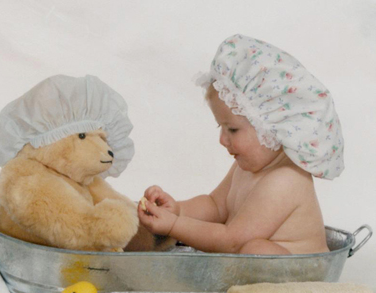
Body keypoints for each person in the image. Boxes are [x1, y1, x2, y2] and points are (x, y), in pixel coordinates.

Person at [138, 34, 344, 255]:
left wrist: (173, 226)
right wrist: (178, 210)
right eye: (221, 128)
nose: (222, 140)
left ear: (270, 128)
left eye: (232, 129)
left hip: (302, 269)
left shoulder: (285, 180)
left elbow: (232, 241)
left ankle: (270, 290)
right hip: (255, 264)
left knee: (256, 250)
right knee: (250, 250)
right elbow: (214, 206)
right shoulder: (245, 167)